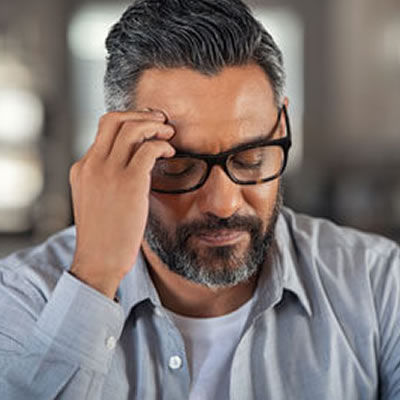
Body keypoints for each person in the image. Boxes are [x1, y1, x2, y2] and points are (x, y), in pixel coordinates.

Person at [0, 0, 399, 398]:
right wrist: (94, 277)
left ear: (281, 125)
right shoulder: (21, 300)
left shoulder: (379, 287)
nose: (223, 204)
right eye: (179, 166)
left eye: (251, 159)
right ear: (117, 155)